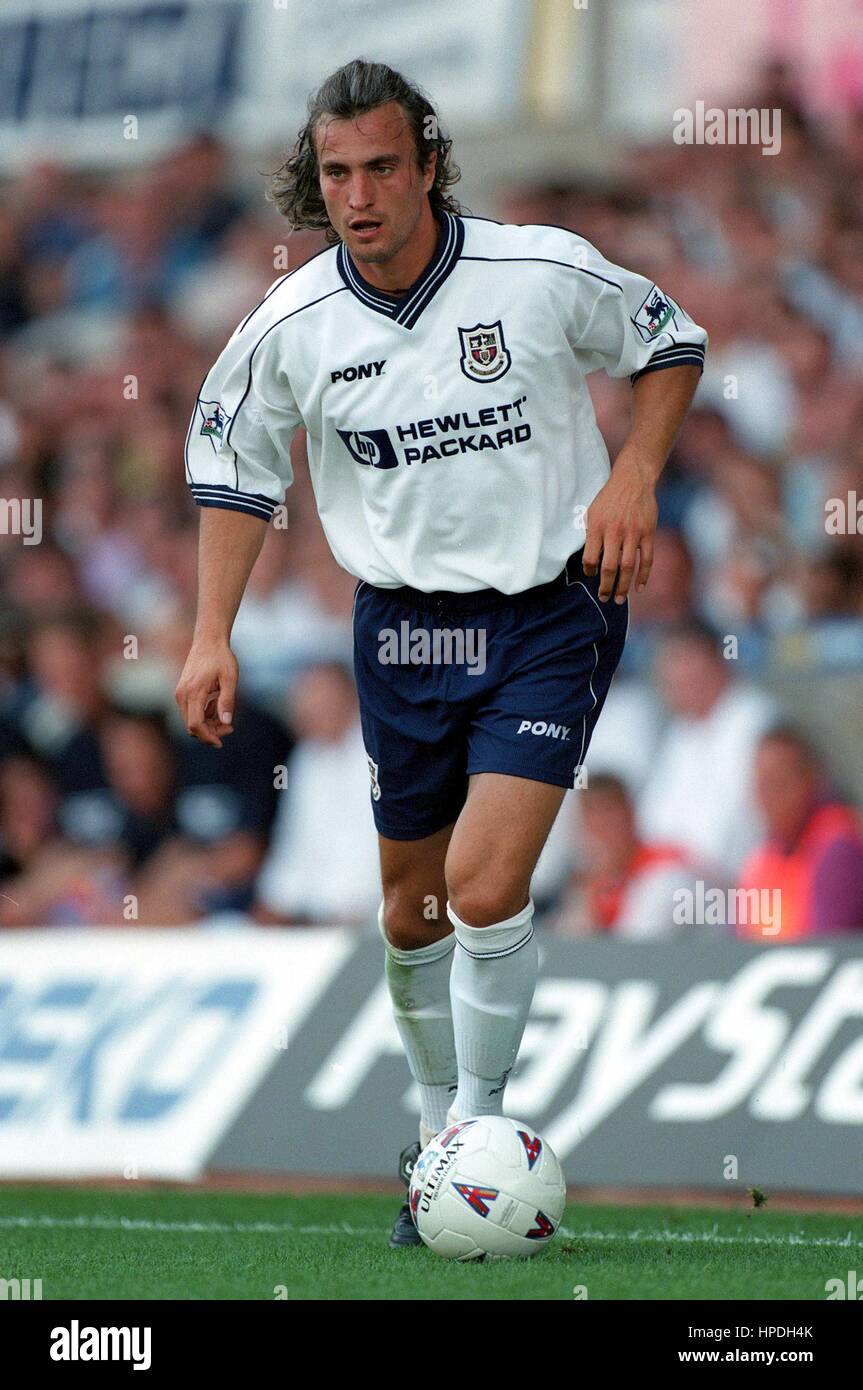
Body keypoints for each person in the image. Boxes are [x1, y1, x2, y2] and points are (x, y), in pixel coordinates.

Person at [175, 60, 707, 1246]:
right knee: (411, 912)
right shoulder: (291, 327)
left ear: (425, 163)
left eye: (378, 167)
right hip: (402, 632)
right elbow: (231, 472)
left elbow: (669, 341)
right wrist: (211, 633)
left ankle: (477, 1130)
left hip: (546, 609)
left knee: (480, 885)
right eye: (334, 173)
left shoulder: (539, 271)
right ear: (314, 183)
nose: (357, 195)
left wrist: (633, 471)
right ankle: (431, 1132)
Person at [737, 727, 863, 939]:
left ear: (812, 781)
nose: (771, 797)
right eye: (762, 784)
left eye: (780, 782)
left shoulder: (839, 848)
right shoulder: (761, 859)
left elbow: (826, 947)